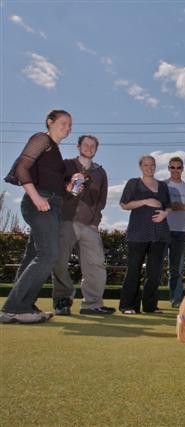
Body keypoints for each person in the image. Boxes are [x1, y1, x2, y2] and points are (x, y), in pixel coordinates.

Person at [0, 110, 80, 324]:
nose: (68, 128)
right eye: (63, 123)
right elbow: (22, 167)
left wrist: (71, 187)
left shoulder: (55, 151)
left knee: (32, 256)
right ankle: (14, 308)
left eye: (70, 125)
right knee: (49, 254)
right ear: (50, 122)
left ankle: (26, 306)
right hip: (39, 203)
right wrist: (35, 197)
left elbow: (62, 192)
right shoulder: (41, 138)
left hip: (52, 204)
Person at [51, 135, 115, 316]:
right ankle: (63, 301)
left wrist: (95, 222)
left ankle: (92, 305)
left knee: (96, 264)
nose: (89, 147)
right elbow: (56, 189)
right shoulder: (66, 165)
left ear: (96, 149)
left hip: (89, 225)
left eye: (93, 145)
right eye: (85, 144)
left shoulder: (100, 172)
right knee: (60, 262)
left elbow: (101, 201)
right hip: (66, 221)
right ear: (78, 146)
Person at [118, 155, 172, 314]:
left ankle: (150, 306)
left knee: (154, 272)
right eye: (146, 165)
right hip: (138, 233)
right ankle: (128, 305)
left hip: (160, 234)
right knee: (134, 269)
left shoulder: (162, 186)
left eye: (152, 165)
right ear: (141, 166)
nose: (150, 167)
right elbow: (124, 204)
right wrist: (145, 201)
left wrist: (164, 214)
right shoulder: (133, 183)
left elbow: (168, 206)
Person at [164, 156, 185, 308]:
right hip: (161, 231)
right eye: (173, 167)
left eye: (179, 167)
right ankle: (149, 302)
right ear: (168, 169)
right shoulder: (162, 186)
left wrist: (181, 207)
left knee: (176, 270)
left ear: (182, 169)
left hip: (179, 233)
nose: (176, 170)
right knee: (154, 267)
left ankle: (176, 301)